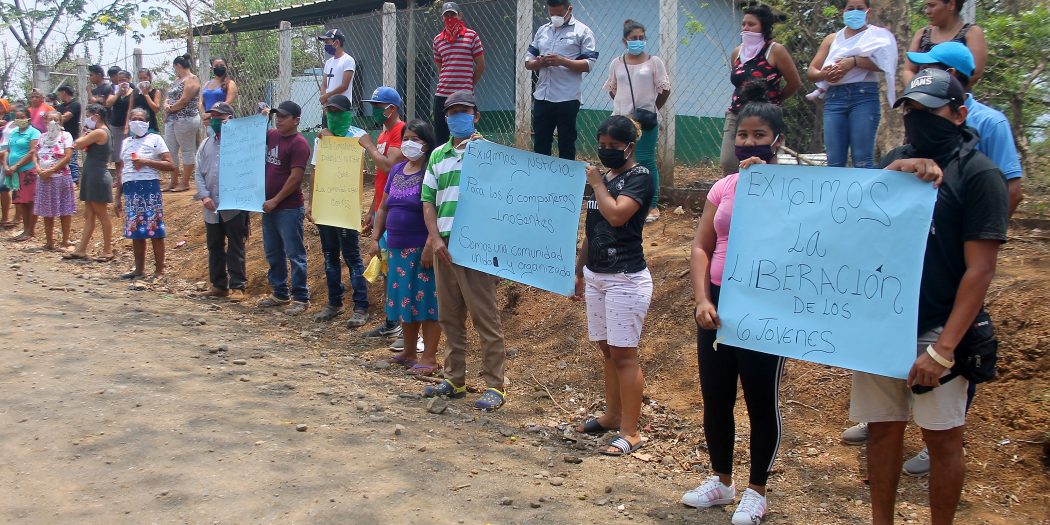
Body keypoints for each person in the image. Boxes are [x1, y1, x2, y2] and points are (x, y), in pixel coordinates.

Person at [842, 41, 1026, 477]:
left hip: (937, 329)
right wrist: (894, 174)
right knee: (882, 433)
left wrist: (943, 351)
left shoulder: (980, 175)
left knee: (942, 439)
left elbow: (980, 270)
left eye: (929, 110)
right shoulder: (896, 161)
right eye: (910, 110)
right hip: (883, 327)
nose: (917, 118)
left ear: (959, 114)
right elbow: (855, 226)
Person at [681, 80, 786, 525]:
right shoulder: (723, 186)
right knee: (716, 395)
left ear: (777, 141)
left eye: (759, 135)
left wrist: (766, 184)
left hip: (765, 304)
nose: (748, 142)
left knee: (761, 400)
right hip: (719, 302)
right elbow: (701, 246)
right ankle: (721, 481)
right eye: (742, 134)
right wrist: (702, 299)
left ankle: (757, 490)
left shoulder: (796, 189)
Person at [571, 115, 654, 457]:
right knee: (607, 350)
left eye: (613, 146)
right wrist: (579, 270)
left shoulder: (640, 177)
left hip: (625, 278)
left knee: (624, 355)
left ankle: (631, 432)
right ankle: (612, 415)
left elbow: (617, 215)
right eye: (602, 145)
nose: (606, 151)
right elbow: (592, 230)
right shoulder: (604, 179)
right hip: (596, 276)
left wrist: (597, 184)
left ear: (629, 147)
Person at [420, 91, 508, 410]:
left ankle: (495, 386)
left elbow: (502, 196)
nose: (458, 116)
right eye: (452, 112)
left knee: (485, 317)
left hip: (476, 247)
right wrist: (435, 239)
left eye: (465, 111)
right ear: (445, 118)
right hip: (444, 247)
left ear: (476, 116)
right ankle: (454, 379)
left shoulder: (488, 152)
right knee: (449, 317)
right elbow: (428, 201)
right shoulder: (437, 155)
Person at [368, 119, 442, 375]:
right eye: (406, 139)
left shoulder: (431, 172)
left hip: (421, 251)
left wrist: (430, 244)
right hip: (396, 250)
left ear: (427, 144)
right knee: (405, 301)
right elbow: (383, 207)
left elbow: (436, 211)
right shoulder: (397, 170)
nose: (409, 144)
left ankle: (429, 357)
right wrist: (375, 237)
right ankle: (409, 352)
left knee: (427, 303)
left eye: (416, 139)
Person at [806, 0, 897, 169]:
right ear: (843, 11)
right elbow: (811, 71)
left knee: (862, 159)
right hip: (834, 98)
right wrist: (825, 74)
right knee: (834, 161)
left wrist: (854, 62)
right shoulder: (831, 39)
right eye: (850, 8)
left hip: (864, 97)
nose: (855, 12)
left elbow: (885, 64)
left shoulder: (877, 37)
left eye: (860, 8)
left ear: (868, 12)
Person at [305, 95, 368, 325]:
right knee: (330, 255)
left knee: (352, 256)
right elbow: (315, 170)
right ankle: (334, 302)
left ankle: (361, 306)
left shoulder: (359, 136)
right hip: (326, 204)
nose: (333, 116)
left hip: (346, 206)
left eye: (338, 112)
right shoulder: (321, 140)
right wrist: (311, 202)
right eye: (329, 112)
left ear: (348, 113)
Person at [718, 3, 801, 175]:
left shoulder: (776, 51)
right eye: (743, 24)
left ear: (764, 26)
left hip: (765, 116)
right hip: (738, 114)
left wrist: (775, 100)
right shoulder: (737, 53)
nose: (746, 28)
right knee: (728, 162)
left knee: (766, 161)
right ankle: (734, 191)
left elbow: (794, 82)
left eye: (751, 24)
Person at [603, 19, 670, 224]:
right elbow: (613, 89)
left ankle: (652, 205)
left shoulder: (654, 62)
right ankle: (623, 200)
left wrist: (651, 109)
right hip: (621, 120)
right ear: (625, 40)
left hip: (645, 120)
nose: (638, 41)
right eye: (634, 38)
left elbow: (664, 89)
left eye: (641, 37)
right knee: (621, 159)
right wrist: (623, 108)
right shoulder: (616, 63)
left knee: (646, 160)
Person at [358, 86, 408, 338]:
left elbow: (389, 166)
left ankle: (400, 322)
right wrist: (372, 210)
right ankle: (391, 320)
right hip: (382, 207)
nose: (374, 110)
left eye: (378, 107)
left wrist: (368, 146)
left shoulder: (401, 131)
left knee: (395, 266)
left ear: (392, 108)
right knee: (386, 266)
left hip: (396, 208)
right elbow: (380, 178)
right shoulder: (383, 133)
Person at [525, 0, 598, 161]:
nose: (555, 17)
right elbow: (528, 62)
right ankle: (541, 175)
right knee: (541, 143)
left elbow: (588, 64)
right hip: (542, 96)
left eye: (559, 14)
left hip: (567, 97)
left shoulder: (582, 31)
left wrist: (562, 61)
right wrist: (539, 63)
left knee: (566, 143)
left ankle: (566, 176)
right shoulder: (543, 30)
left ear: (569, 9)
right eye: (551, 14)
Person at [258, 101, 311, 315]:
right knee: (273, 251)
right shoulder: (272, 135)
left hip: (288, 208)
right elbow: (250, 139)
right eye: (277, 116)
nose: (278, 120)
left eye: (283, 117)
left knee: (294, 253)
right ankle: (280, 292)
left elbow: (295, 178)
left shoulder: (299, 144)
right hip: (269, 207)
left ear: (296, 120)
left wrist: (276, 200)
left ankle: (301, 297)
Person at [194, 102, 248, 302]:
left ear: (230, 118)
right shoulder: (205, 144)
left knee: (236, 245)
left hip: (233, 205)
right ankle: (218, 285)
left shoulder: (241, 144)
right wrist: (204, 196)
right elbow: (198, 172)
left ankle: (238, 286)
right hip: (211, 205)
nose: (215, 120)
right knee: (214, 245)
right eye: (213, 117)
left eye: (220, 117)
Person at [116, 107, 174, 280]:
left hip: (149, 189)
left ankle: (159, 270)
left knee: (154, 229)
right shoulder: (126, 142)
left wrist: (145, 162)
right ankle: (139, 269)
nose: (137, 122)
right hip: (130, 190)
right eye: (133, 119)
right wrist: (117, 196)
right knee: (136, 230)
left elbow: (170, 164)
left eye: (141, 119)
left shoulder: (155, 139)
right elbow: (122, 170)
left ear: (147, 122)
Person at [431, 1, 485, 144]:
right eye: (446, 15)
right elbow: (440, 67)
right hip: (442, 94)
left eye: (453, 14)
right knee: (441, 135)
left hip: (464, 95)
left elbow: (480, 65)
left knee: (467, 134)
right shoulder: (437, 40)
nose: (450, 18)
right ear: (442, 18)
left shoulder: (472, 36)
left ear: (460, 15)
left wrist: (470, 84)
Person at [66, 104, 114, 261]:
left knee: (102, 214)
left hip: (97, 176)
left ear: (96, 116)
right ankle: (81, 249)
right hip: (91, 175)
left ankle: (108, 250)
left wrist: (83, 132)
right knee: (89, 215)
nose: (87, 119)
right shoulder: (99, 132)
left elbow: (77, 144)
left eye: (88, 116)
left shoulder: (100, 132)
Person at [902, 0, 987, 87]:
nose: (927, 11)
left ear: (951, 4)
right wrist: (915, 90)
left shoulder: (971, 32)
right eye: (926, 6)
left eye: (932, 5)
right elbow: (908, 70)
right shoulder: (922, 33)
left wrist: (946, 92)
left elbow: (975, 73)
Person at [33, 110, 76, 250]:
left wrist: (51, 170)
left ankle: (65, 240)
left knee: (65, 209)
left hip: (61, 178)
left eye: (55, 120)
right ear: (45, 122)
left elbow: (67, 157)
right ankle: (49, 241)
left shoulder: (66, 136)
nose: (52, 122)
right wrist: (39, 169)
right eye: (49, 119)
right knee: (47, 211)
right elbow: (34, 154)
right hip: (44, 178)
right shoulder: (42, 137)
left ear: (60, 122)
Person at [164, 54, 201, 193]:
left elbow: (185, 100)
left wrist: (170, 109)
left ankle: (185, 182)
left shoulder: (192, 79)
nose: (174, 70)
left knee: (187, 150)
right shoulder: (176, 80)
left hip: (186, 119)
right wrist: (166, 105)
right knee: (171, 150)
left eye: (174, 68)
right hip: (171, 119)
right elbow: (168, 97)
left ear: (178, 65)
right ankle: (173, 181)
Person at [4, 107, 40, 242]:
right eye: (17, 117)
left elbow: (32, 152)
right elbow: (8, 150)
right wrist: (6, 166)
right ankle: (25, 230)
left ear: (28, 118)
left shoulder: (34, 132)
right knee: (22, 202)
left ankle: (30, 231)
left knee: (29, 202)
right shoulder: (14, 132)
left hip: (27, 171)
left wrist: (16, 165)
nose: (19, 120)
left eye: (22, 117)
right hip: (15, 173)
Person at [317, 29, 355, 109]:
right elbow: (324, 85)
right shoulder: (328, 62)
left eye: (327, 42)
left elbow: (344, 86)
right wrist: (325, 102)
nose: (325, 45)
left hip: (342, 107)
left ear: (337, 42)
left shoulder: (348, 60)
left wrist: (326, 96)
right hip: (329, 106)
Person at [107, 70, 135, 175]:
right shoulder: (113, 89)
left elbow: (131, 110)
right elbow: (108, 104)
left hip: (128, 126)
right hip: (115, 125)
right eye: (119, 80)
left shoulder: (134, 91)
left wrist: (127, 126)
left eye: (124, 80)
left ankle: (128, 175)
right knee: (117, 155)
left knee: (127, 153)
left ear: (129, 79)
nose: (122, 82)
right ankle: (119, 178)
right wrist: (118, 92)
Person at [55, 86, 82, 184]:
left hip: (72, 136)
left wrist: (55, 119)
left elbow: (66, 117)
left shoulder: (75, 104)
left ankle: (74, 181)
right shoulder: (60, 106)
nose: (59, 96)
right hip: (59, 137)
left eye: (60, 93)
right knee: (60, 158)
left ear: (64, 92)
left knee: (71, 159)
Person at [200, 58, 238, 125]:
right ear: (212, 68)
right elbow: (201, 102)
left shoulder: (230, 83)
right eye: (216, 65)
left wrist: (211, 115)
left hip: (223, 121)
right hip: (208, 122)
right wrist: (204, 114)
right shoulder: (207, 84)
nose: (219, 67)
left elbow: (228, 103)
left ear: (226, 67)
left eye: (221, 65)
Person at [134, 68, 163, 133]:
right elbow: (130, 109)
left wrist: (146, 94)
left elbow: (156, 109)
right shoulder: (135, 92)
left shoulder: (155, 92)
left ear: (149, 78)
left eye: (145, 78)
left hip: (151, 125)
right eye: (140, 78)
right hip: (136, 125)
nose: (143, 80)